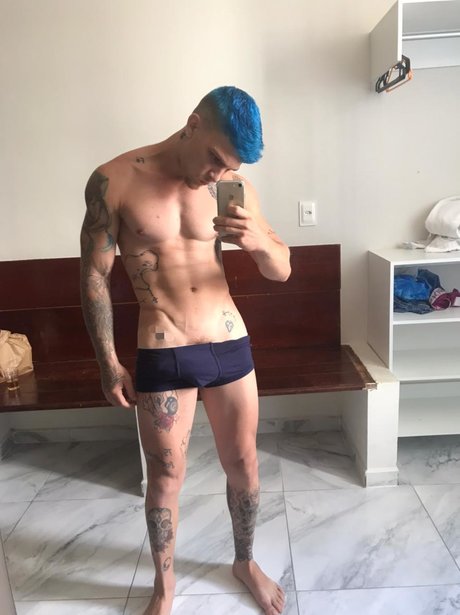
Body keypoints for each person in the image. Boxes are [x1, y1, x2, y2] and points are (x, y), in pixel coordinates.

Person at [80, 86, 291, 615]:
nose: (217, 174)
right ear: (193, 124)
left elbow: (282, 269)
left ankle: (245, 562)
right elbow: (95, 276)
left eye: (229, 167)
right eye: (215, 158)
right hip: (163, 348)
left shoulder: (234, 187)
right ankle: (164, 587)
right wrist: (108, 361)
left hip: (228, 341)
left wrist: (258, 242)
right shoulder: (114, 180)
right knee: (166, 479)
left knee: (244, 463)